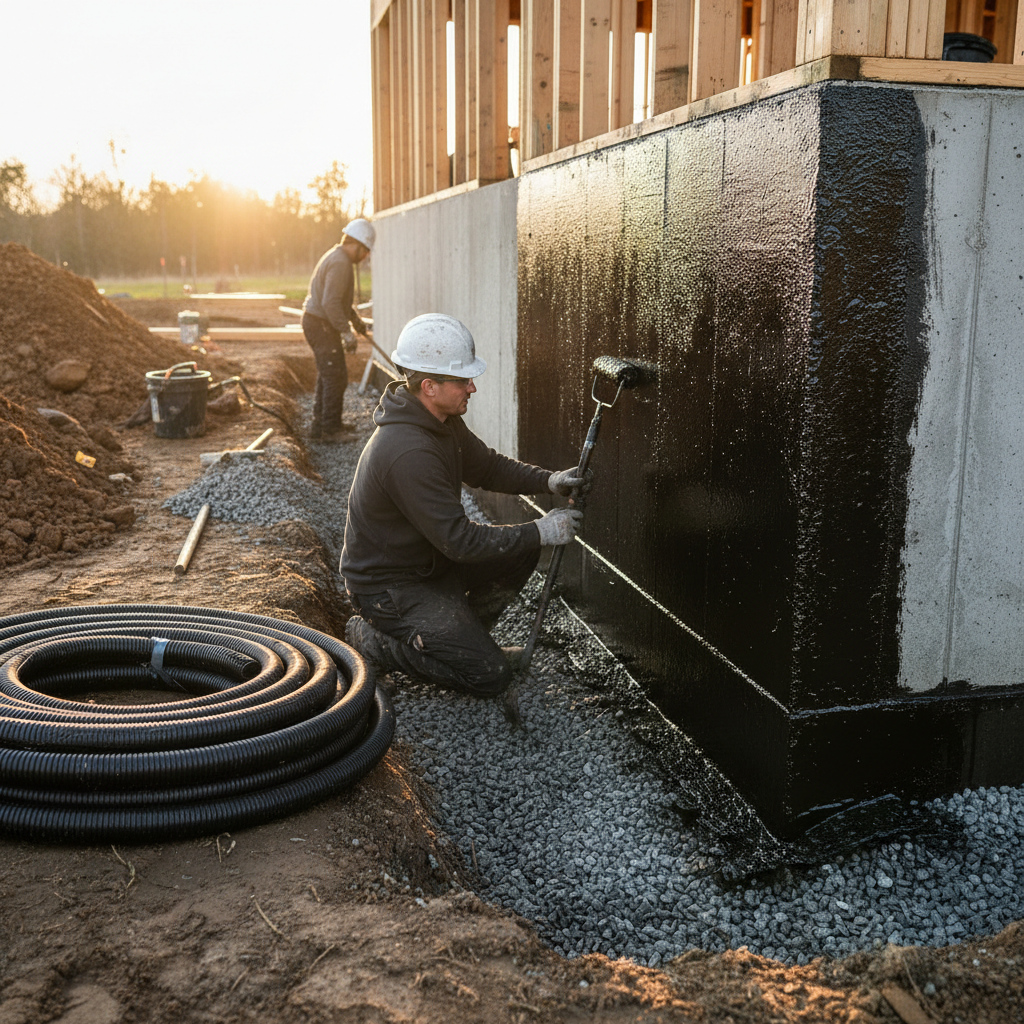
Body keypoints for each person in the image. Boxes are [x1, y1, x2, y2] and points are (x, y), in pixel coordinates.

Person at [341, 313, 589, 698]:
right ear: (429, 386)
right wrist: (541, 529)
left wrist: (548, 480)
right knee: (490, 676)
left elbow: (487, 467)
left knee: (521, 551)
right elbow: (459, 541)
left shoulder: (440, 419)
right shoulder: (408, 452)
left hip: (428, 567)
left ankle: (461, 641)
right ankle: (373, 641)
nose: (472, 388)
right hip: (391, 589)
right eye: (463, 380)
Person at [301, 218, 375, 440]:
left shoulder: (338, 257)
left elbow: (340, 302)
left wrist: (355, 321)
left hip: (319, 322)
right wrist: (346, 332)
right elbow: (330, 303)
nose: (365, 258)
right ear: (356, 244)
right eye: (365, 252)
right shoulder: (341, 262)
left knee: (328, 374)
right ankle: (330, 430)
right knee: (335, 376)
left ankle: (320, 426)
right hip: (320, 324)